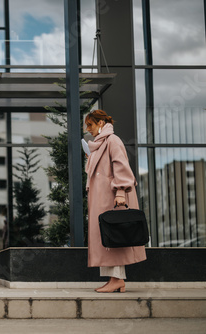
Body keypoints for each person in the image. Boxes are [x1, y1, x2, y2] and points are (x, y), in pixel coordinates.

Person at [84, 110, 146, 293]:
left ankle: (117, 280)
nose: (88, 130)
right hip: (102, 198)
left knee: (115, 236)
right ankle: (114, 279)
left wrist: (120, 191)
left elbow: (121, 167)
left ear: (101, 123)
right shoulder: (101, 144)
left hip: (112, 198)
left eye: (91, 125)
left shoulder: (113, 140)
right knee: (107, 238)